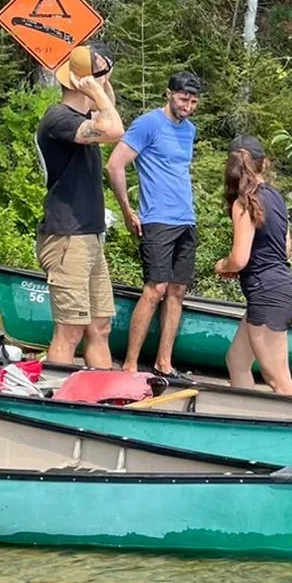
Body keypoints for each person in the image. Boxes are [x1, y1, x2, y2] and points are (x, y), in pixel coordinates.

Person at [106, 72, 203, 376]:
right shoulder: (148, 124)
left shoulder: (189, 130)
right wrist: (127, 211)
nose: (188, 105)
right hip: (157, 218)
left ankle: (164, 361)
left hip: (185, 218)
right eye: (183, 98)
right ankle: (130, 365)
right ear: (169, 94)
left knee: (177, 291)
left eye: (193, 100)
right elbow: (115, 164)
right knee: (155, 289)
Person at [35, 43, 125, 367]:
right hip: (65, 236)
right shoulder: (58, 119)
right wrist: (95, 87)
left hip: (88, 235)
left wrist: (102, 82)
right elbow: (114, 128)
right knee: (70, 331)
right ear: (84, 83)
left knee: (99, 326)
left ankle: (100, 400)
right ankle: (58, 398)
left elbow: (109, 113)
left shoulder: (83, 118)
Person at [214, 136, 292, 395]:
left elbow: (240, 258)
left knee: (278, 379)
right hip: (279, 287)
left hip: (267, 293)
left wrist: (223, 265)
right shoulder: (275, 197)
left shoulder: (245, 203)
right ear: (265, 164)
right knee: (237, 361)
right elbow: (285, 247)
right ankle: (244, 420)